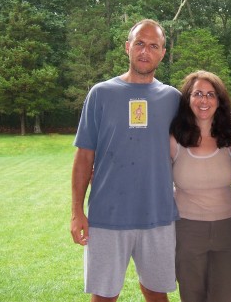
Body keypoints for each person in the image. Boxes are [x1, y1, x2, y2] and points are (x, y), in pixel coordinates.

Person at [70, 19, 181, 302]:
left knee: (157, 293)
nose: (145, 51)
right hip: (108, 216)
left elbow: (195, 148)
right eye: (140, 43)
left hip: (158, 216)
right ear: (127, 47)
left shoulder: (173, 99)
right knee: (104, 296)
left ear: (163, 53)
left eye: (153, 45)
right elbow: (84, 157)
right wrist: (77, 211)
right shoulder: (101, 94)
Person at [169, 71, 231, 302]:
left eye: (211, 94)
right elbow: (151, 175)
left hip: (229, 227)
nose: (204, 100)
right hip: (187, 229)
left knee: (226, 297)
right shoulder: (173, 139)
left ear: (219, 101)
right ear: (188, 99)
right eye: (198, 94)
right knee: (191, 296)